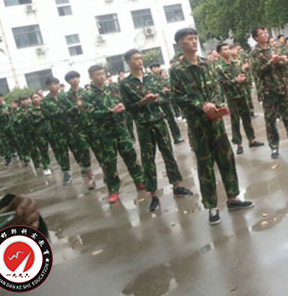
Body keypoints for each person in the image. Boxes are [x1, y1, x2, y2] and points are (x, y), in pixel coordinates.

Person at [170, 28, 254, 226]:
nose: (194, 42)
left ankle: (233, 198)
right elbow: (177, 97)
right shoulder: (177, 70)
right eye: (189, 39)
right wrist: (201, 105)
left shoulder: (207, 64)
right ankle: (212, 206)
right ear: (180, 43)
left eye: (195, 38)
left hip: (216, 122)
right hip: (198, 125)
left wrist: (216, 104)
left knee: (226, 159)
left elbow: (217, 87)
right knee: (205, 165)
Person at [120, 50, 192, 212]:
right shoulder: (125, 84)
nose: (139, 61)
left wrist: (157, 99)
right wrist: (142, 102)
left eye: (140, 58)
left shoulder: (151, 78)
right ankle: (153, 195)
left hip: (159, 120)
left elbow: (164, 98)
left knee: (168, 154)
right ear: (128, 62)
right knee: (148, 160)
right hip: (144, 125)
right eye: (135, 59)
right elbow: (128, 108)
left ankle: (176, 187)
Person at [83, 65, 145, 204]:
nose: (101, 77)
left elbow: (123, 102)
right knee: (109, 163)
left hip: (121, 130)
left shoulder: (113, 88)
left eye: (103, 73)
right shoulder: (88, 95)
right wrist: (111, 112)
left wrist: (123, 109)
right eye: (98, 74)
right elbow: (91, 113)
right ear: (91, 77)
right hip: (104, 134)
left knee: (131, 156)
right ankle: (113, 189)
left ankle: (139, 180)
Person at [250, 27, 288, 159]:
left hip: (282, 87)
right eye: (261, 34)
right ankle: (274, 147)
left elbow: (284, 65)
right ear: (256, 38)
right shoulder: (254, 53)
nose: (265, 35)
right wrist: (270, 62)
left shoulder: (274, 48)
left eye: (265, 33)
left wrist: (282, 60)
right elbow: (257, 72)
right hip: (268, 90)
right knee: (270, 120)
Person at [214, 43, 264, 155]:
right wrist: (235, 81)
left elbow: (242, 75)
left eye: (228, 49)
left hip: (242, 94)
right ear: (219, 52)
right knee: (235, 120)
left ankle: (252, 140)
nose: (228, 51)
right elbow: (221, 83)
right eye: (225, 49)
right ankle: (239, 144)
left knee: (247, 118)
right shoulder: (218, 67)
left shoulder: (235, 63)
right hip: (232, 97)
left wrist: (243, 75)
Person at [61, 71, 96, 190]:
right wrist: (76, 107)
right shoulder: (65, 97)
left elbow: (93, 106)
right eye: (71, 78)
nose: (74, 80)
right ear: (68, 81)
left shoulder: (87, 92)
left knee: (100, 150)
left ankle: (108, 176)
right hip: (78, 129)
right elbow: (65, 113)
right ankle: (90, 179)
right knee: (84, 153)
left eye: (76, 77)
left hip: (91, 126)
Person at [41, 78, 73, 184]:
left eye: (58, 84)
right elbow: (47, 115)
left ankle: (85, 169)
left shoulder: (64, 96)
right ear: (48, 86)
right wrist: (62, 111)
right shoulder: (45, 101)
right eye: (54, 84)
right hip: (57, 131)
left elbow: (72, 108)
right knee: (62, 152)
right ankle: (67, 172)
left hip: (70, 128)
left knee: (77, 149)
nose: (57, 86)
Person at [149, 63, 184, 143]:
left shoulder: (163, 78)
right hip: (157, 104)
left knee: (171, 120)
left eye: (158, 67)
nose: (157, 69)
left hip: (166, 102)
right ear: (151, 69)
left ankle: (177, 137)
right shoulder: (149, 80)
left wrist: (168, 90)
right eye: (154, 67)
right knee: (161, 124)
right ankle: (165, 141)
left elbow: (170, 87)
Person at [28, 93, 52, 175]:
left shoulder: (45, 107)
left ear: (40, 98)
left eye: (37, 97)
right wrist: (40, 118)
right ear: (31, 100)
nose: (35, 99)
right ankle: (46, 166)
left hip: (50, 131)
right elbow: (31, 123)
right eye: (33, 98)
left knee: (57, 148)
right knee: (43, 151)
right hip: (40, 134)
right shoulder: (30, 111)